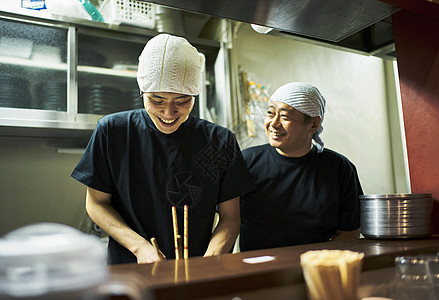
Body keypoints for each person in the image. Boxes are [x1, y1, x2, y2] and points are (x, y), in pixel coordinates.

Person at [72, 34, 254, 264]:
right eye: (157, 100)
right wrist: (139, 248)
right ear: (142, 92)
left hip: (197, 269)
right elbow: (96, 203)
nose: (169, 113)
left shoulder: (219, 140)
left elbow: (230, 218)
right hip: (130, 266)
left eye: (182, 101)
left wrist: (210, 261)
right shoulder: (113, 131)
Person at [239, 82, 363, 251]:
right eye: (270, 113)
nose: (273, 123)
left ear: (313, 125)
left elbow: (350, 231)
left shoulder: (339, 168)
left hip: (315, 267)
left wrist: (314, 261)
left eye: (285, 117)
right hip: (256, 268)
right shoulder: (246, 161)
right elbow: (227, 219)